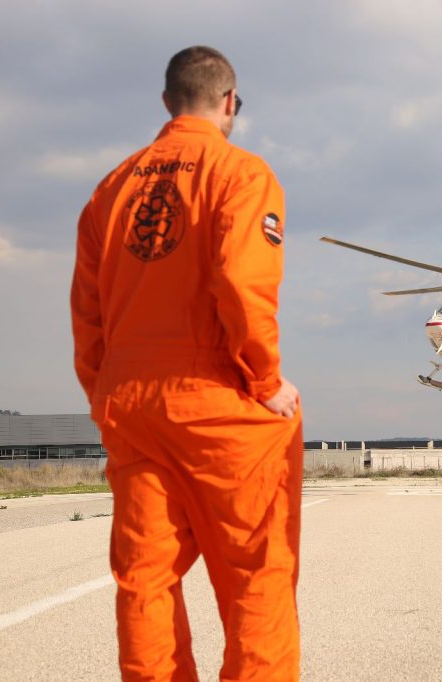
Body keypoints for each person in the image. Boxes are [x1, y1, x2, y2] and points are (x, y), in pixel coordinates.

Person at [71, 46, 304, 681]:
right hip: (220, 406)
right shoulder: (242, 174)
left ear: (168, 101)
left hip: (132, 405)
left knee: (144, 581)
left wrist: (105, 394)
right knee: (258, 578)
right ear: (230, 103)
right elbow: (242, 284)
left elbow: (87, 315)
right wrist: (266, 380)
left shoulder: (111, 189)